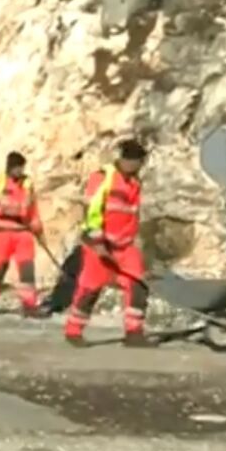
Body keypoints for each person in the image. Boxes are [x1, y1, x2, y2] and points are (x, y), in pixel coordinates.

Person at [64, 139, 154, 348]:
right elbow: (91, 213)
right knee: (90, 288)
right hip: (100, 245)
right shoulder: (102, 178)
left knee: (138, 286)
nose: (138, 166)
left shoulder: (134, 183)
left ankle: (134, 333)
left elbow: (131, 215)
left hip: (125, 246)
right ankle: (74, 330)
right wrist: (97, 242)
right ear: (126, 160)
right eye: (136, 162)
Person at [0, 151, 44, 317]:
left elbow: (32, 211)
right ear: (10, 167)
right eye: (18, 168)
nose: (20, 171)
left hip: (23, 233)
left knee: (27, 269)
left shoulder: (27, 184)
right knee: (0, 267)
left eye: (22, 168)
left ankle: (29, 305)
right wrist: (2, 210)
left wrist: (38, 230)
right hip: (3, 233)